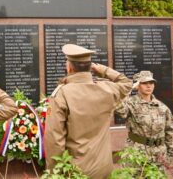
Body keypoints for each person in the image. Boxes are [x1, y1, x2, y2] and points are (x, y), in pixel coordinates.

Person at [44, 44, 133, 179]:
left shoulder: (62, 94)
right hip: (104, 168)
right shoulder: (106, 89)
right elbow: (126, 83)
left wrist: (54, 173)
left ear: (69, 67)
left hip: (75, 171)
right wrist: (102, 70)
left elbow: (54, 139)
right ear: (90, 67)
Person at [115, 70, 173, 166]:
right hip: (137, 153)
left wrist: (170, 154)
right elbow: (119, 109)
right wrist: (129, 89)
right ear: (138, 85)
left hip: (158, 154)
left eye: (151, 83)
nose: (149, 86)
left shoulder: (162, 107)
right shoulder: (131, 103)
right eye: (144, 83)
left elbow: (169, 132)